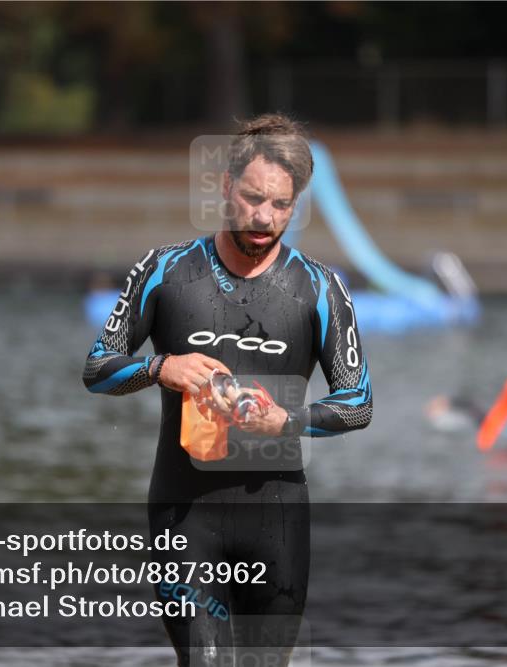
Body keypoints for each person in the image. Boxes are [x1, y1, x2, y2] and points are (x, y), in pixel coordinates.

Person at [83, 114, 372, 666]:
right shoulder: (164, 269)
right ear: (225, 187)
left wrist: (286, 421)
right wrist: (159, 367)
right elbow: (97, 368)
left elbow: (358, 404)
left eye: (281, 205)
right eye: (253, 198)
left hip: (278, 519)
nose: (265, 218)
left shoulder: (320, 287)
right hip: (183, 514)